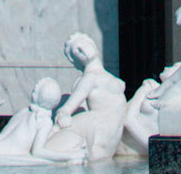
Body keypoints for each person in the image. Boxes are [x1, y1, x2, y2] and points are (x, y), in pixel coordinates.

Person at [51, 33, 129, 161]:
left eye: (83, 43)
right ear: (75, 60)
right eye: (77, 50)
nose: (82, 49)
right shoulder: (90, 78)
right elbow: (66, 109)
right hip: (97, 129)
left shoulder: (107, 77)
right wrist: (63, 115)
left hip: (110, 137)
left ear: (93, 45)